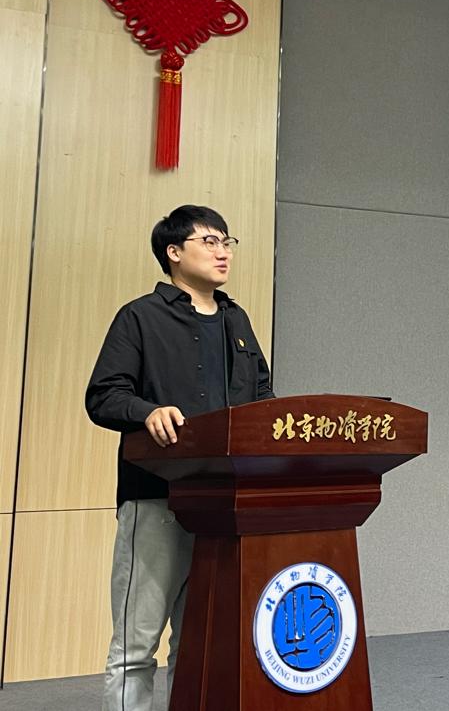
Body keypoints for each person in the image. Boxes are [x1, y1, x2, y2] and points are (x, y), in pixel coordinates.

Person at [86, 205, 274, 711]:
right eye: (210, 241)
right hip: (157, 498)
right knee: (136, 646)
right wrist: (147, 411)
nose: (223, 252)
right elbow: (103, 395)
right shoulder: (140, 317)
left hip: (223, 504)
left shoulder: (236, 320)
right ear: (173, 252)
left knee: (198, 645)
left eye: (227, 242)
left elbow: (262, 398)